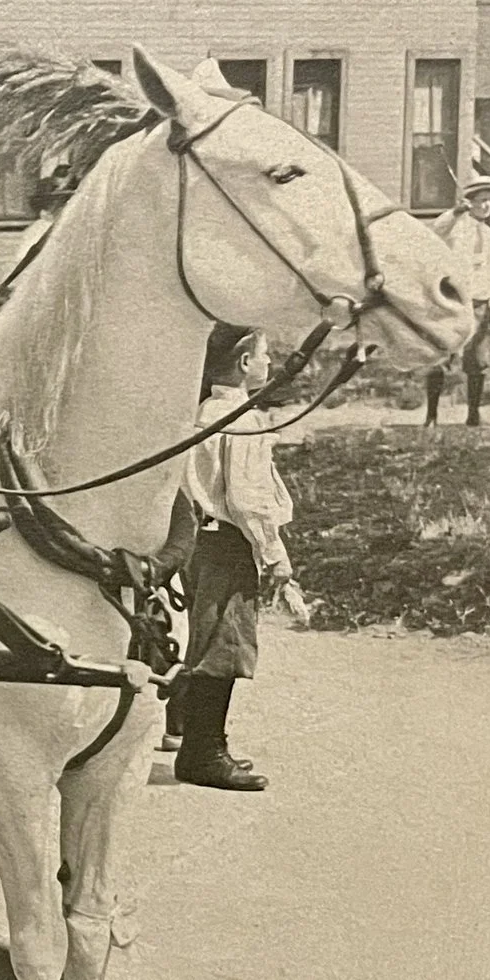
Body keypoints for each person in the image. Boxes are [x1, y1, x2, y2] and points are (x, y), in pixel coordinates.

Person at [172, 324, 304, 791]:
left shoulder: (202, 411)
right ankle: (203, 753)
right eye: (265, 355)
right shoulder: (242, 419)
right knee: (225, 645)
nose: (270, 363)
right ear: (245, 363)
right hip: (228, 543)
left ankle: (189, 735)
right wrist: (274, 557)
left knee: (205, 636)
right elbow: (248, 500)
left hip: (198, 541)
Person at [425, 177, 490, 426]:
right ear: (469, 203)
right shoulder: (453, 228)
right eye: (481, 201)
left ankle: (473, 414)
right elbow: (433, 233)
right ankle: (431, 415)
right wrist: (454, 213)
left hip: (479, 305)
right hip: (451, 301)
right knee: (440, 356)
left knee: (477, 359)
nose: (486, 206)